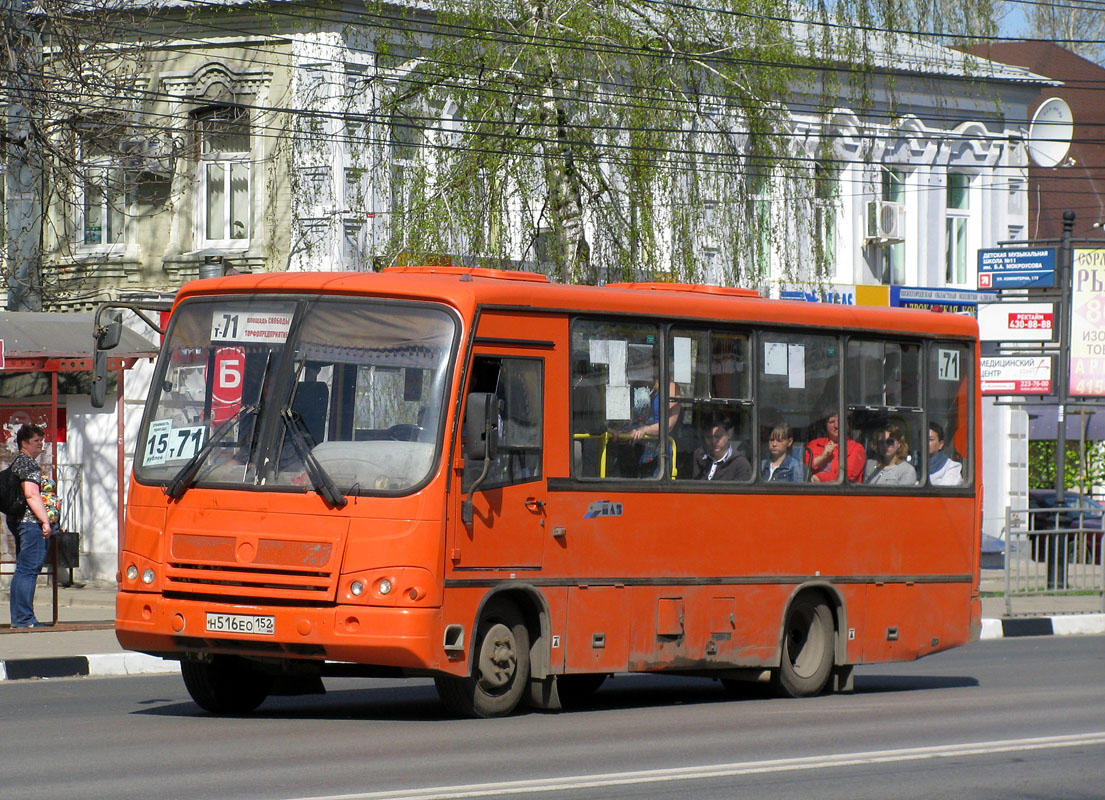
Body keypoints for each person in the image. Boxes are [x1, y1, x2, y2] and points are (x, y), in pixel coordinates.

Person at [8, 423, 54, 628]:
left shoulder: (17, 462)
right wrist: (45, 520)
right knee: (29, 570)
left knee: (23, 570)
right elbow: (31, 494)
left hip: (18, 521)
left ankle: (20, 617)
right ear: (24, 443)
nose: (40, 445)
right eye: (36, 441)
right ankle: (24, 619)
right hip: (30, 522)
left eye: (41, 441)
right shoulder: (28, 464)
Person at [618, 380, 680, 477]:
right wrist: (622, 432)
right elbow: (630, 418)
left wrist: (644, 430)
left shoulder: (670, 386)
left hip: (657, 454)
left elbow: (669, 425)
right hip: (633, 452)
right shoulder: (634, 387)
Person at [806, 411, 865, 483]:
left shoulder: (856, 448)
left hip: (841, 493)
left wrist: (819, 478)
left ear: (847, 425)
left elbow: (847, 476)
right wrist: (822, 457)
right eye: (831, 422)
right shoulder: (814, 444)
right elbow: (802, 470)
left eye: (840, 421)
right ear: (825, 424)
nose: (836, 426)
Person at [693, 416, 752, 481]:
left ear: (729, 434)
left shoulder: (740, 464)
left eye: (718, 436)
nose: (713, 441)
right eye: (709, 437)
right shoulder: (699, 457)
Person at [928, 422, 962, 486]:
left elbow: (943, 493)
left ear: (941, 444)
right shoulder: (914, 466)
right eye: (922, 439)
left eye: (930, 439)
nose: (925, 442)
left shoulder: (952, 467)